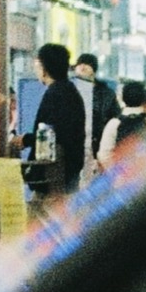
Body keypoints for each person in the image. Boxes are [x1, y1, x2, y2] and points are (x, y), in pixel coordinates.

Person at [27, 43, 88, 200]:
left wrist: (25, 140)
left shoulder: (55, 94)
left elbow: (51, 135)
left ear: (45, 68)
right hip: (66, 177)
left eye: (38, 65)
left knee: (39, 213)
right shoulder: (70, 92)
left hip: (52, 180)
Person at [75, 53, 123, 154]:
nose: (82, 67)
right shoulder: (68, 91)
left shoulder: (106, 93)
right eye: (79, 64)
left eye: (87, 64)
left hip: (99, 143)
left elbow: (115, 117)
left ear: (94, 69)